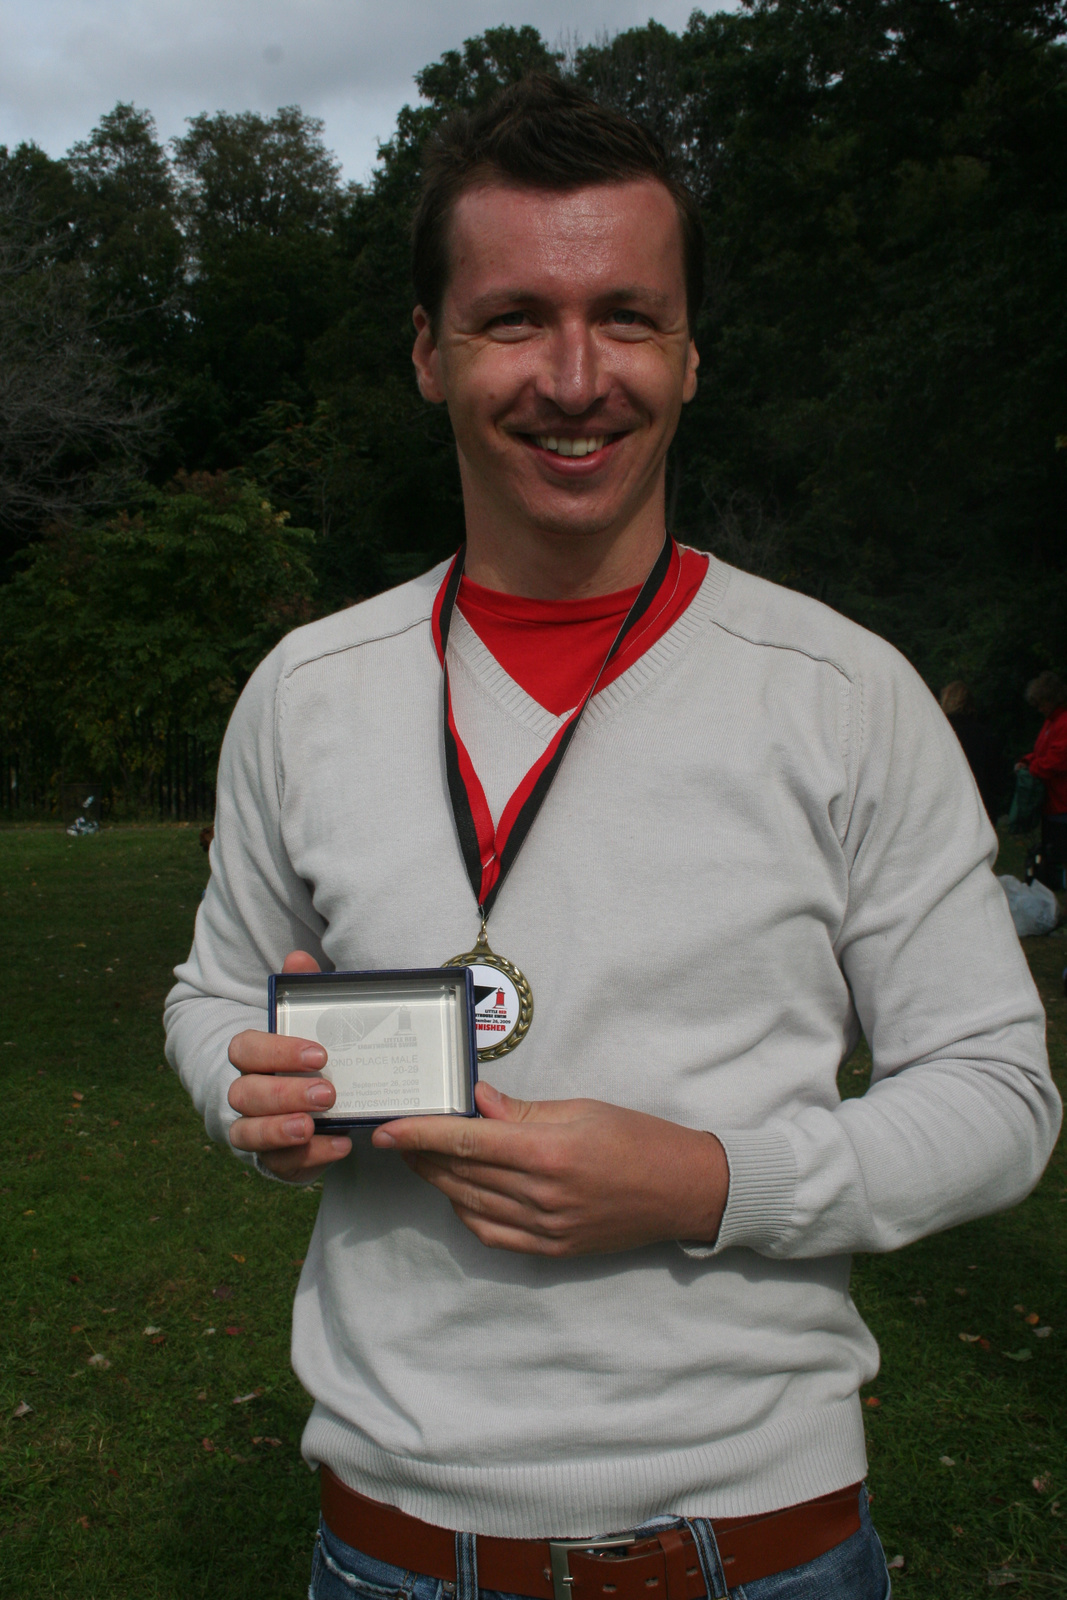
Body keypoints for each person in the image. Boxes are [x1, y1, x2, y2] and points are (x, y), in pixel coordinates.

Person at [164, 77, 1060, 1600]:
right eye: (513, 318)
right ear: (427, 351)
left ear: (689, 353)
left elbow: (993, 1094)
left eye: (625, 319)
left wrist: (708, 1183)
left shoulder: (843, 694)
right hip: (388, 1550)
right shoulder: (306, 690)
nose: (573, 378)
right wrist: (241, 1087)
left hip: (757, 1550)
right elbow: (210, 997)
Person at [1017, 670, 1067, 881]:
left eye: (1042, 703)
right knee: (1053, 850)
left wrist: (1033, 768)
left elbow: (1057, 760)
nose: (1039, 708)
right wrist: (1028, 760)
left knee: (1061, 854)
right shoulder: (1050, 722)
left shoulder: (1063, 722)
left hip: (1062, 802)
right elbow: (1042, 752)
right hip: (1051, 801)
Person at [938, 680, 1004, 822]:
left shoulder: (938, 734)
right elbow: (996, 777)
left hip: (948, 808)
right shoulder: (984, 735)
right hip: (981, 807)